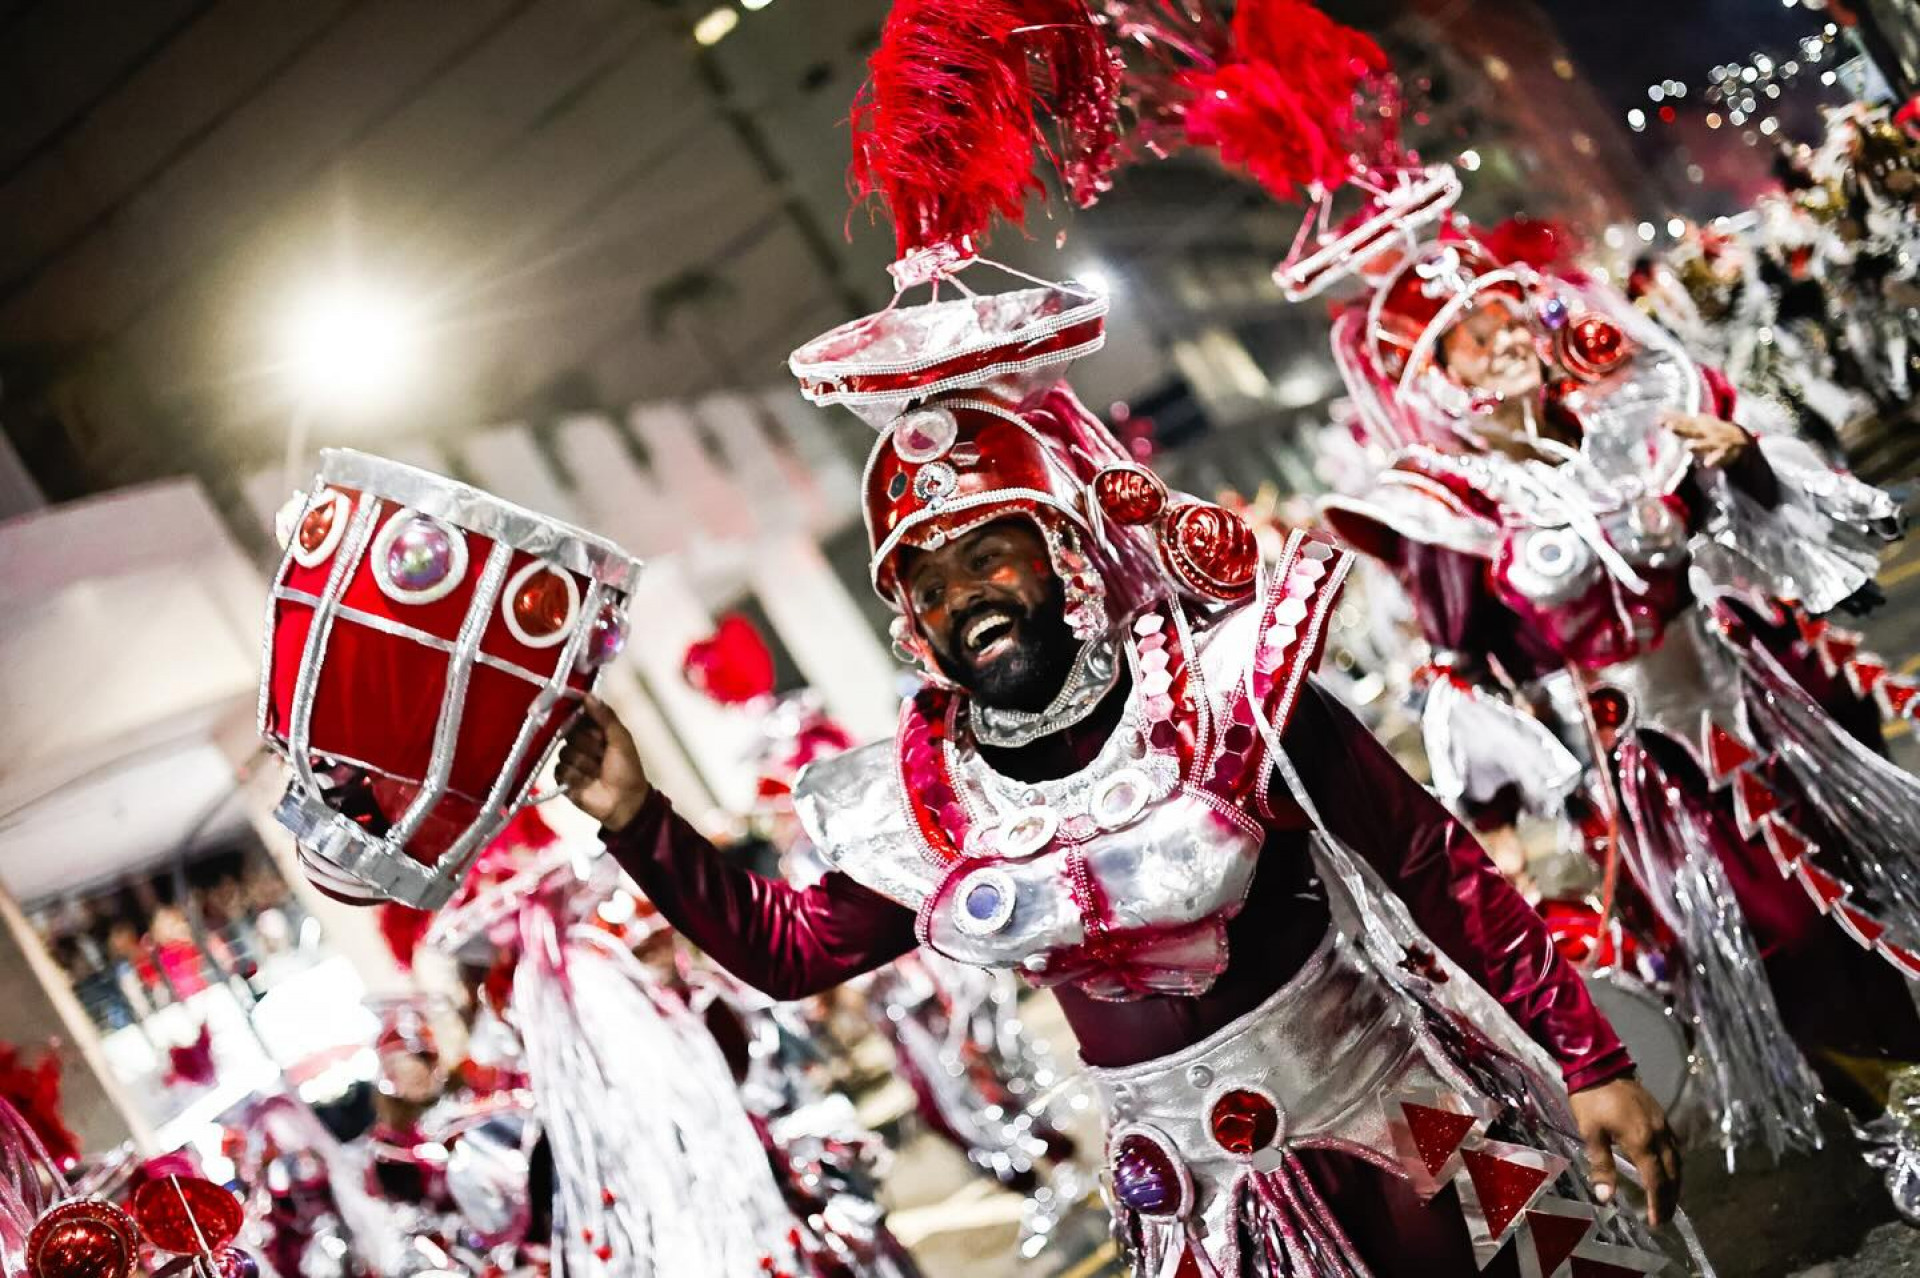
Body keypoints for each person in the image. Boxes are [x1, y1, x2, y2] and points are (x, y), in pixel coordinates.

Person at [556, 255, 1688, 1273]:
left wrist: (1585, 1060)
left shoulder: (1227, 690)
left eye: (988, 556)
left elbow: (1427, 865)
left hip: (1404, 1123)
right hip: (1195, 1212)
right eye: (932, 587)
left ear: (1062, 556)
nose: (967, 601)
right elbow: (789, 952)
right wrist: (636, 818)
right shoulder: (932, 800)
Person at [1320, 231, 1920, 1204]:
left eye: (1501, 317)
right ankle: (1890, 1112)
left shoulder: (1627, 416)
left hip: (1765, 707)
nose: (1502, 340)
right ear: (1429, 379)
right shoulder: (1445, 508)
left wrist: (1738, 464)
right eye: (1468, 338)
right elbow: (1459, 665)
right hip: (1648, 770)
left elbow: (1746, 532)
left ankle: (1909, 1078)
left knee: (1854, 893)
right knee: (1779, 938)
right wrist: (1503, 817)